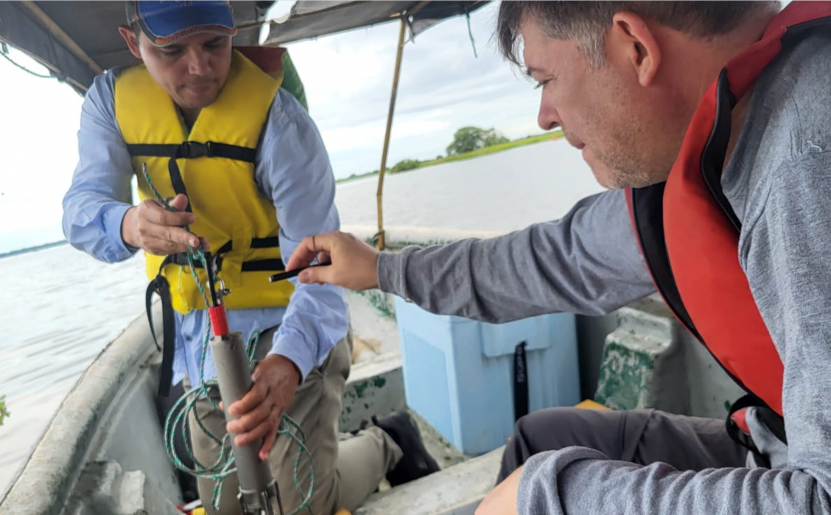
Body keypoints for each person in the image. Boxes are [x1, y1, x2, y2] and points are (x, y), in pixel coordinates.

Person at [286, 1, 831, 514]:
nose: (544, 115)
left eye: (545, 80)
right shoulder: (711, 149)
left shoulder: (807, 160)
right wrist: (382, 269)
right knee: (538, 439)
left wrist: (551, 497)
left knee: (539, 480)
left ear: (635, 47)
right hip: (773, 437)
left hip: (799, 478)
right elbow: (547, 260)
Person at [61, 2, 438, 513]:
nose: (199, 68)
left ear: (233, 31)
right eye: (172, 51)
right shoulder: (109, 101)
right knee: (224, 507)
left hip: (292, 325)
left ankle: (386, 441)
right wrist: (126, 223)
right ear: (134, 43)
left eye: (214, 44)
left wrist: (286, 364)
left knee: (301, 505)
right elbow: (81, 214)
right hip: (201, 342)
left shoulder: (280, 121)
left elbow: (322, 272)